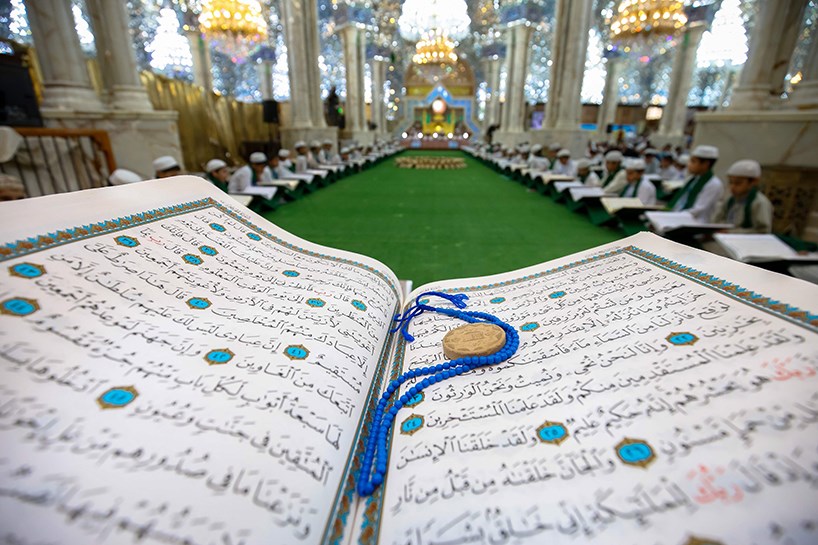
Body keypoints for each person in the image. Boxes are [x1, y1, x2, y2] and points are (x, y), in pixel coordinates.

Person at [712, 159, 773, 233]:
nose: (732, 187)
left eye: (738, 183)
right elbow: (717, 220)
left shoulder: (759, 203)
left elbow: (762, 231)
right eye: (730, 182)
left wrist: (731, 232)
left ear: (753, 182)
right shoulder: (730, 200)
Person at [667, 145, 724, 222]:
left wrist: (672, 217)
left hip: (695, 222)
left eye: (693, 162)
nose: (689, 165)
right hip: (679, 216)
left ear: (706, 164)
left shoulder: (713, 184)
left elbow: (697, 210)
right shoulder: (693, 179)